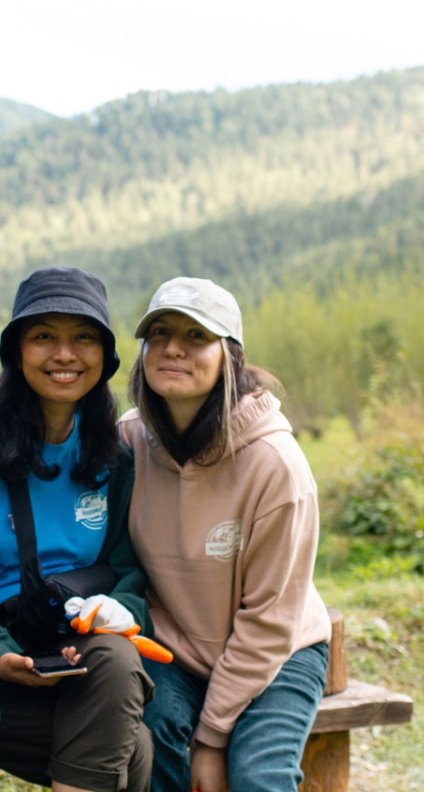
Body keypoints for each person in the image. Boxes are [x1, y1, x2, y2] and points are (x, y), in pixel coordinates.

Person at [0, 266, 155, 792]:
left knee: (116, 656)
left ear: (105, 358)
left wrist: (120, 611)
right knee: (134, 753)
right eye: (44, 336)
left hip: (70, 650)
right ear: (16, 352)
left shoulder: (112, 458)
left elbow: (129, 574)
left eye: (83, 338)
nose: (64, 355)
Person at [119, 277, 332, 792]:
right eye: (161, 333)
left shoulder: (275, 465)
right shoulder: (128, 440)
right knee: (150, 743)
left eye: (197, 337)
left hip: (278, 653)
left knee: (259, 777)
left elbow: (270, 621)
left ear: (229, 356)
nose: (173, 347)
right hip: (178, 649)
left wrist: (212, 740)